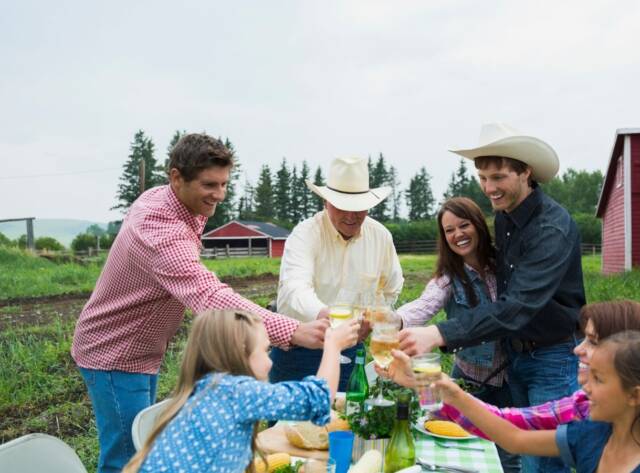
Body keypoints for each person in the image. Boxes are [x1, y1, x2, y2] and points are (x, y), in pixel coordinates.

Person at [71, 133, 329, 473]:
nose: (219, 195)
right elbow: (210, 297)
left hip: (142, 349)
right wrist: (293, 330)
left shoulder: (170, 200)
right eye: (210, 185)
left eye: (224, 184)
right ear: (176, 177)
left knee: (143, 443)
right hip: (115, 352)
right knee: (125, 459)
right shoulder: (159, 228)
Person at [398, 123, 586, 472]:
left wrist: (439, 333)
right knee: (519, 450)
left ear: (525, 172)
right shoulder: (505, 217)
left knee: (542, 462)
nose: (489, 188)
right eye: (483, 178)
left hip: (552, 358)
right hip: (517, 355)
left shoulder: (551, 228)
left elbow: (517, 306)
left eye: (498, 177)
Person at [380, 300, 640, 472]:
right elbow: (512, 431)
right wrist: (441, 388)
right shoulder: (590, 421)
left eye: (593, 341)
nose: (577, 349)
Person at [122, 309, 361, 473]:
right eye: (265, 351)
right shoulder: (237, 393)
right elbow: (317, 398)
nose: (270, 362)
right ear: (240, 354)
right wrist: (333, 345)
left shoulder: (207, 388)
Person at [435, 330, 640, 472]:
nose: (584, 386)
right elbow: (514, 438)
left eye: (598, 379)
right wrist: (452, 392)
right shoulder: (591, 435)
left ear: (635, 396)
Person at [396, 197, 519, 473]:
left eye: (463, 225)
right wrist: (394, 319)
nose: (458, 235)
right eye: (449, 230)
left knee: (509, 457)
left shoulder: (505, 267)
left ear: (478, 225)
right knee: (459, 453)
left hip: (510, 381)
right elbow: (424, 305)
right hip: (467, 382)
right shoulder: (449, 276)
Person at [269, 156, 404, 391]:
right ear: (326, 202)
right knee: (289, 426)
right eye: (342, 206)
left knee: (345, 418)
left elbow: (391, 288)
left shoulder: (380, 237)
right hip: (298, 347)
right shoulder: (305, 234)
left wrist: (373, 319)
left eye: (358, 208)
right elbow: (295, 288)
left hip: (350, 349)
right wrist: (327, 316)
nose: (351, 216)